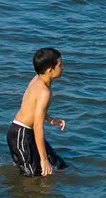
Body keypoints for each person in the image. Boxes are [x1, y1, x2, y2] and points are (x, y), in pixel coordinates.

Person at [8, 47, 69, 177]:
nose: (63, 67)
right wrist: (44, 159)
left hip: (27, 132)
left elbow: (34, 108)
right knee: (33, 176)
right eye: (60, 65)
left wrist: (51, 119)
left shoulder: (38, 78)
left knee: (59, 165)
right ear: (50, 70)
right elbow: (37, 126)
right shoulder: (44, 92)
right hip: (21, 135)